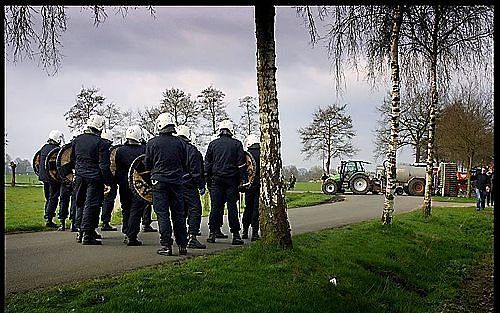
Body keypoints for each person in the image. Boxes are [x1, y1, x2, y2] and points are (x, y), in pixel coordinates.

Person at [144, 113, 189, 256]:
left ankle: (166, 246)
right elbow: (184, 162)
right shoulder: (181, 143)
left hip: (159, 182)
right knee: (179, 214)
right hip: (177, 182)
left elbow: (148, 163)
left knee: (162, 214)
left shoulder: (152, 143)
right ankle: (182, 245)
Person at [72, 114, 113, 245]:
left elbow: (72, 158)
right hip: (94, 178)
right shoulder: (101, 143)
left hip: (79, 176)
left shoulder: (77, 140)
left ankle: (81, 231)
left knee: (80, 203)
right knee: (92, 205)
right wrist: (108, 181)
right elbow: (104, 165)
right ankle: (88, 234)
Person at [205, 119, 247, 245]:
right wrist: (243, 180)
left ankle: (212, 233)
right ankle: (236, 235)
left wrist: (208, 180)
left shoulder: (213, 144)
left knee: (216, 207)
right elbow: (241, 164)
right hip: (232, 180)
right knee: (232, 207)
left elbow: (207, 164)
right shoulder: (237, 144)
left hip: (216, 180)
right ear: (231, 130)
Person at [115, 125, 149, 246]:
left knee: (126, 208)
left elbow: (118, 169)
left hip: (124, 184)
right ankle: (132, 236)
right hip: (139, 185)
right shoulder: (144, 150)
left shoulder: (120, 150)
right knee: (136, 209)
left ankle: (126, 231)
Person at [176, 125, 206, 249]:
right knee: (195, 209)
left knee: (179, 211)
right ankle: (192, 237)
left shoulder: (172, 148)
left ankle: (180, 238)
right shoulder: (192, 150)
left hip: (174, 184)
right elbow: (196, 171)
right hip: (189, 184)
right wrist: (201, 185)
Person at [38, 130, 65, 228]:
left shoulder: (44, 148)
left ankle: (47, 216)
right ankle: (49, 219)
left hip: (44, 177)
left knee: (48, 197)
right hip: (53, 178)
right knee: (53, 198)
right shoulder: (57, 150)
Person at [241, 134, 260, 241]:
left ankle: (244, 231)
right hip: (259, 185)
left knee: (248, 208)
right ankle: (255, 233)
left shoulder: (246, 154)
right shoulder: (263, 153)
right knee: (256, 209)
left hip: (249, 185)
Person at [100, 130, 118, 232]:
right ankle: (105, 222)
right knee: (109, 201)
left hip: (96, 178)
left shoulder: (96, 147)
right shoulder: (109, 150)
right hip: (109, 179)